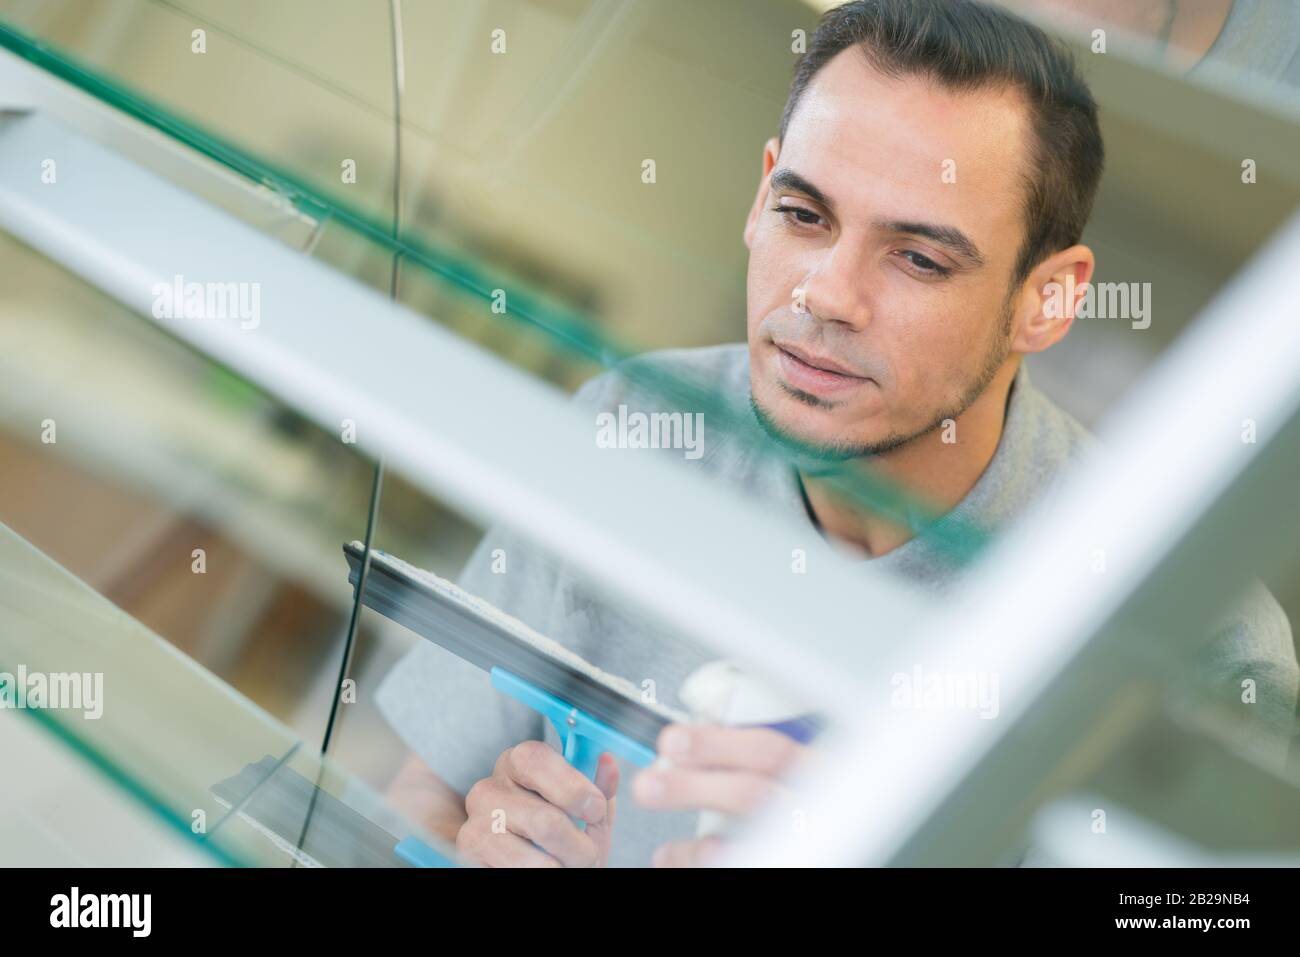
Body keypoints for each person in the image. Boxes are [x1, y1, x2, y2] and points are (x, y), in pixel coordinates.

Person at [374, 0, 1298, 867]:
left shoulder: (1196, 635)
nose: (825, 294)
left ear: (1046, 299)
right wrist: (476, 839)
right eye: (803, 213)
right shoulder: (633, 427)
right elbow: (423, 788)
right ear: (760, 194)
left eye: (920, 257)